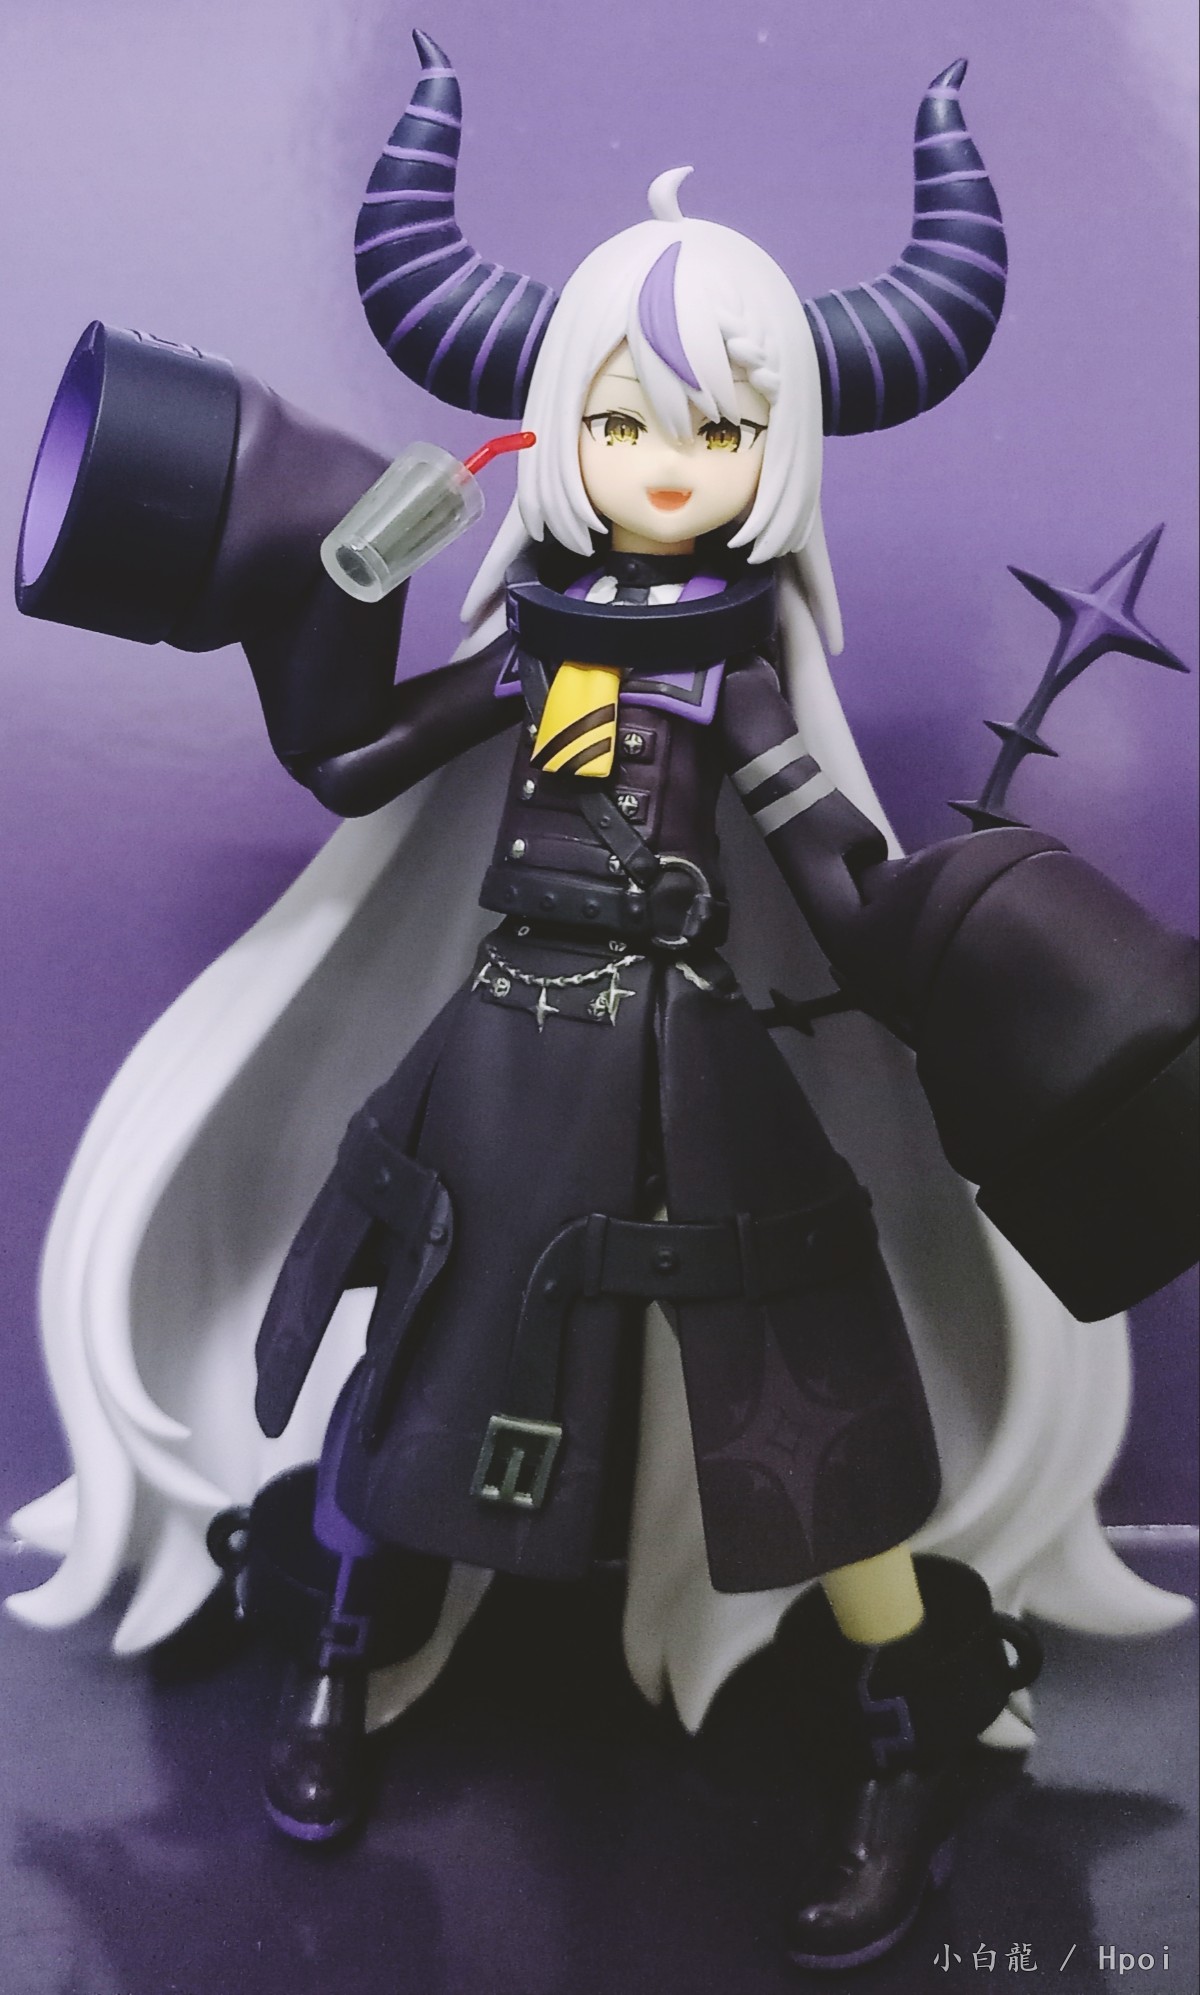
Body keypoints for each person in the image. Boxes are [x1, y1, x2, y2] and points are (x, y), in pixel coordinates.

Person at [9, 32, 1195, 1974]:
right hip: (502, 1061)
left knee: (809, 1430)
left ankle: (909, 1741)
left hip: (695, 1072)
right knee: (414, 1393)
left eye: (720, 427)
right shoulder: (541, 645)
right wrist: (313, 590)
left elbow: (838, 892)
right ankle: (339, 1664)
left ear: (773, 455)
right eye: (628, 415)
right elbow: (355, 760)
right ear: (563, 421)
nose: (667, 459)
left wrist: (973, 923)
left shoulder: (739, 673)